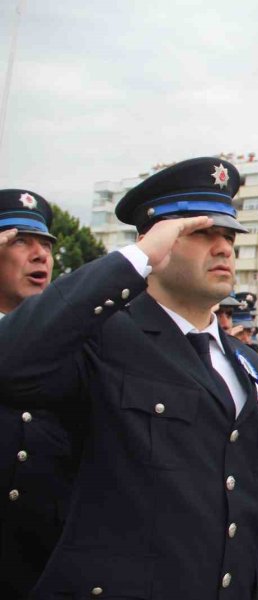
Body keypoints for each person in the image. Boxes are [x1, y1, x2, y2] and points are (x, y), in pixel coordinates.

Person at [0, 158, 258, 598]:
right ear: (155, 240)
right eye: (201, 232)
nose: (224, 248)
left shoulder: (250, 365)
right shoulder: (102, 336)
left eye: (229, 235)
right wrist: (133, 261)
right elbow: (11, 360)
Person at [0, 189, 73, 599]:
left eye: (45, 244)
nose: (40, 255)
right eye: (20, 242)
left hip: (48, 565)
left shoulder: (74, 343)